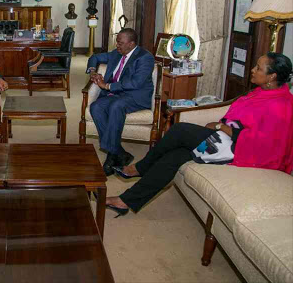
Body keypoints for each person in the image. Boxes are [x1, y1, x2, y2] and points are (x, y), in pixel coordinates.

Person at [104, 53, 293, 217]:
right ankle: (125, 201)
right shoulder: (264, 92)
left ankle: (140, 167)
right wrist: (223, 127)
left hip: (238, 150)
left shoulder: (280, 106)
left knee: (179, 130)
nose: (252, 70)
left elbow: (261, 144)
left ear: (272, 76)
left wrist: (220, 127)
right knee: (174, 157)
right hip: (225, 141)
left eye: (258, 68)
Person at [87, 28, 155, 175]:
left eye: (120, 43)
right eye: (117, 42)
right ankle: (119, 152)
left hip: (135, 96)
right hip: (116, 94)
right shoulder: (117, 53)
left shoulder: (145, 57)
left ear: (131, 44)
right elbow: (95, 57)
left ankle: (112, 155)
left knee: (116, 106)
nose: (117, 45)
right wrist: (93, 71)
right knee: (96, 107)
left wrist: (108, 86)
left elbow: (136, 83)